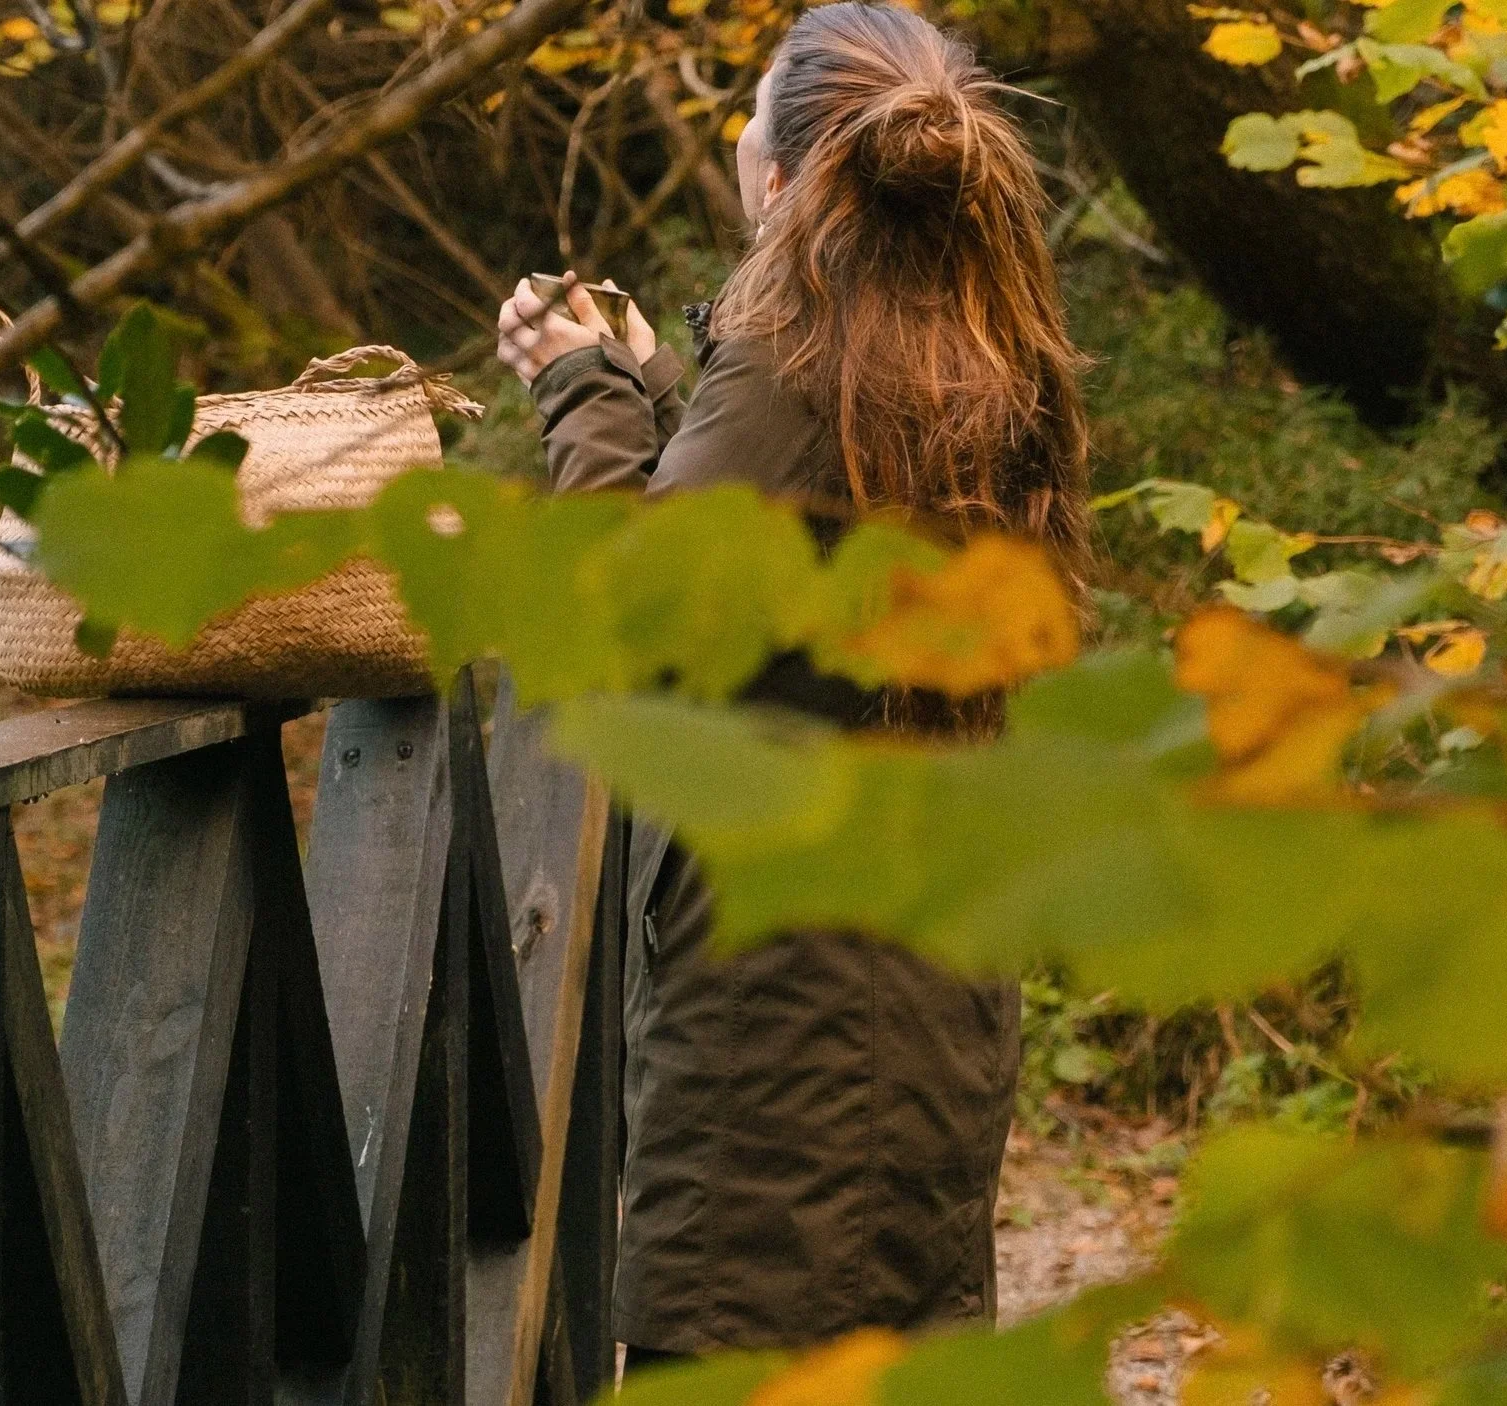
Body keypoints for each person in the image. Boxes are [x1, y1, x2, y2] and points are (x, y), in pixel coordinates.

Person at [492, 2, 1092, 1365]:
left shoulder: (787, 371)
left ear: (786, 176)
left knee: (738, 1347)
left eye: (752, 120)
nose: (737, 142)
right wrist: (665, 387)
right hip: (932, 981)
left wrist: (578, 393)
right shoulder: (994, 363)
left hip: (783, 1020)